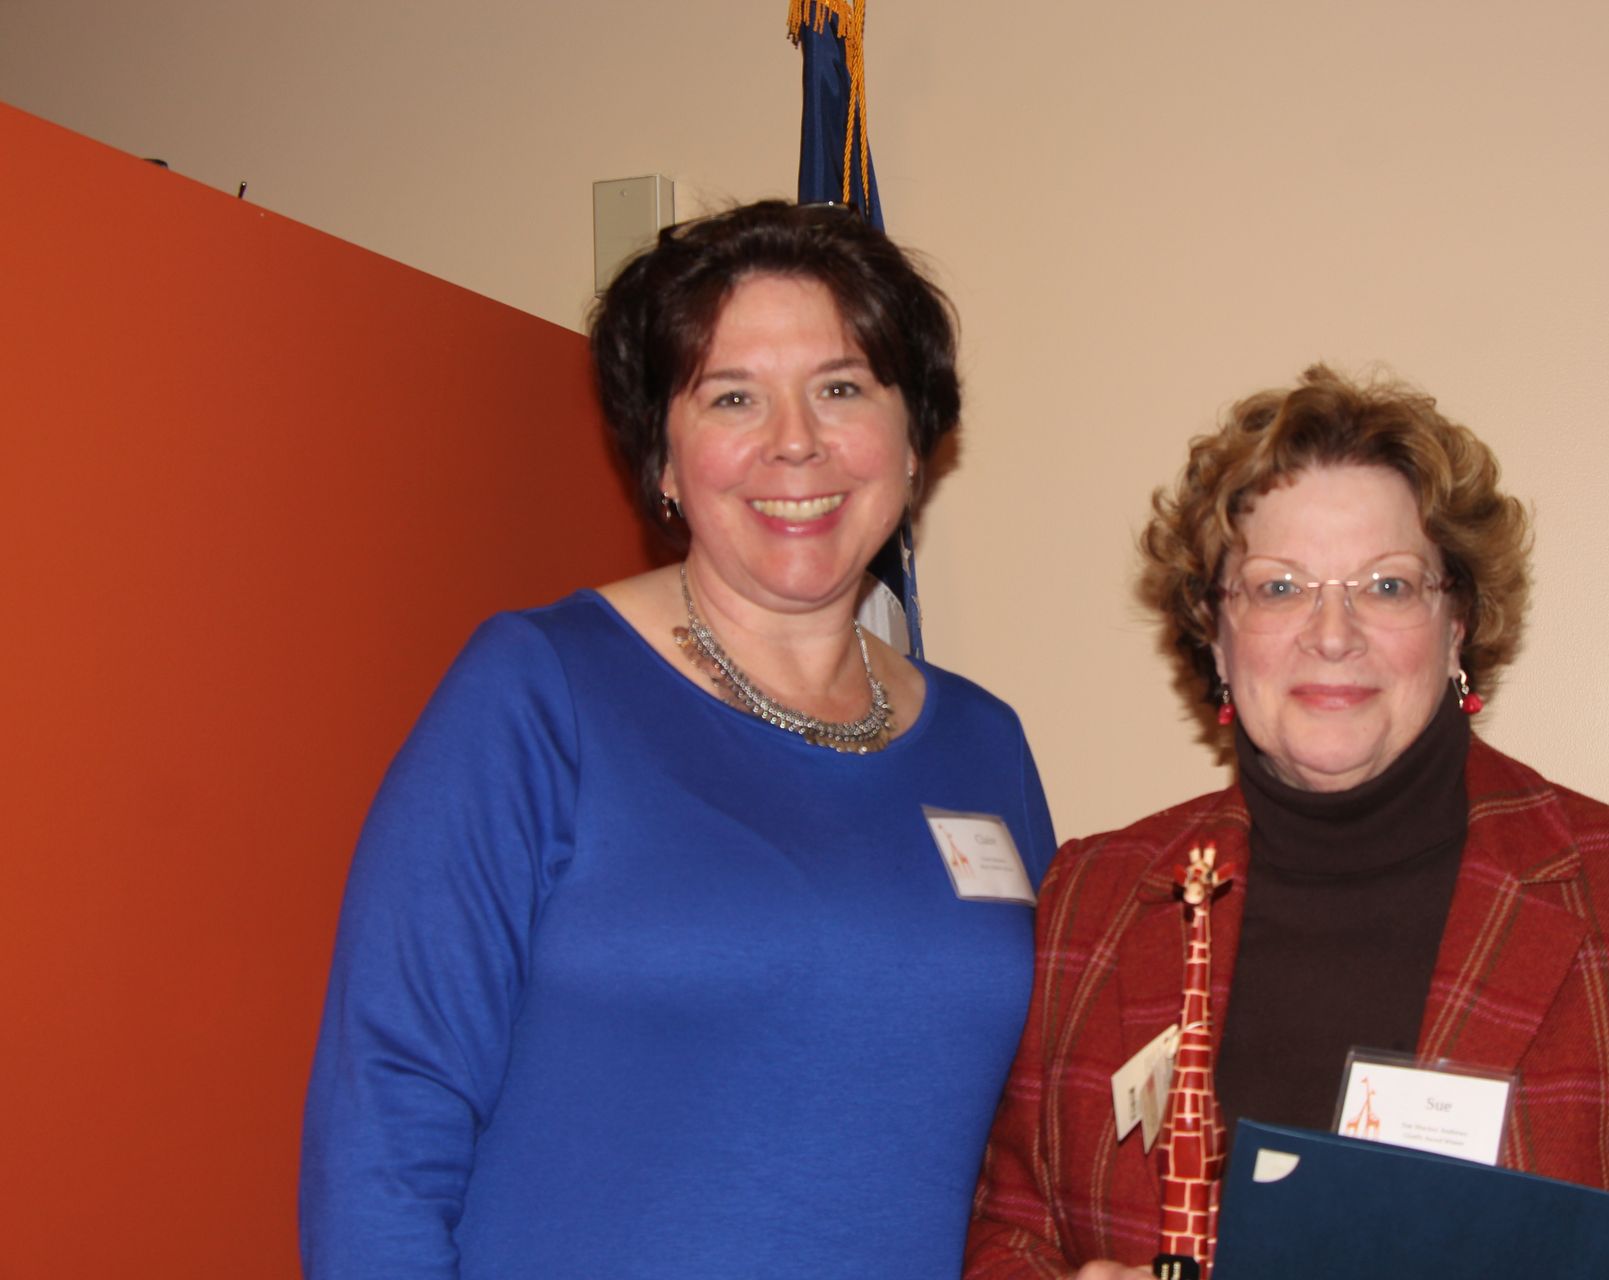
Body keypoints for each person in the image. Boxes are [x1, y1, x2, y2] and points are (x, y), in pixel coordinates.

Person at [300, 200, 1055, 1278]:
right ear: (662, 453)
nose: (795, 439)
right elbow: (387, 1113)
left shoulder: (985, 744)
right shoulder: (537, 690)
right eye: (732, 395)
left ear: (912, 433)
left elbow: (1025, 1148)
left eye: (841, 387)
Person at [964, 365, 1609, 1279]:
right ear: (1215, 635)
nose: (1332, 632)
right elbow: (1011, 1231)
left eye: (1386, 587)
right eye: (1278, 588)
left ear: (1457, 623)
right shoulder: (1097, 896)